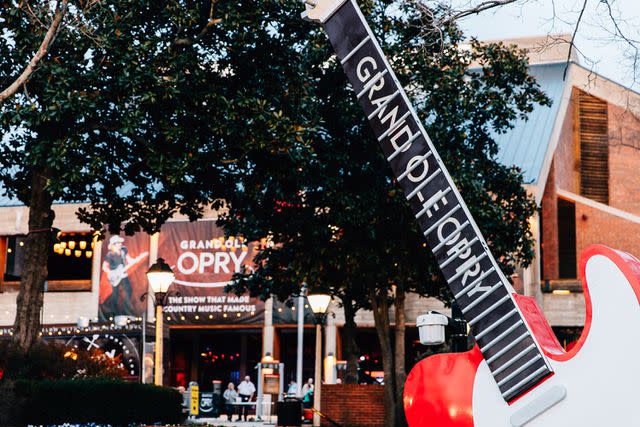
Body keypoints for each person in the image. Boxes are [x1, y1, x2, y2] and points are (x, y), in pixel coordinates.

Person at [101, 235, 148, 315]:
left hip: (123, 275)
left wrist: (135, 260)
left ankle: (127, 310)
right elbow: (104, 266)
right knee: (115, 294)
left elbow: (129, 259)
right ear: (114, 244)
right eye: (118, 243)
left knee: (128, 290)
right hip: (115, 276)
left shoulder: (123, 250)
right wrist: (111, 273)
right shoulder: (110, 255)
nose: (120, 244)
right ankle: (113, 311)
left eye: (120, 243)